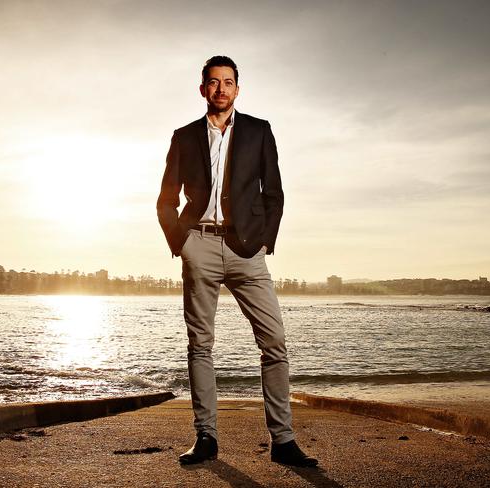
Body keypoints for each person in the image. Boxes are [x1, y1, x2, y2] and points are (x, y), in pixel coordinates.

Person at [157, 55, 317, 468]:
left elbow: (274, 193)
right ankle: (206, 437)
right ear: (203, 89)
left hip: (248, 250)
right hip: (201, 246)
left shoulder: (259, 131)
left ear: (237, 89)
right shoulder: (184, 136)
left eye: (228, 82)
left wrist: (265, 242)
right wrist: (182, 243)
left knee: (274, 343)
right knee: (200, 345)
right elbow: (167, 198)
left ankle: (282, 441)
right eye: (213, 82)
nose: (221, 89)